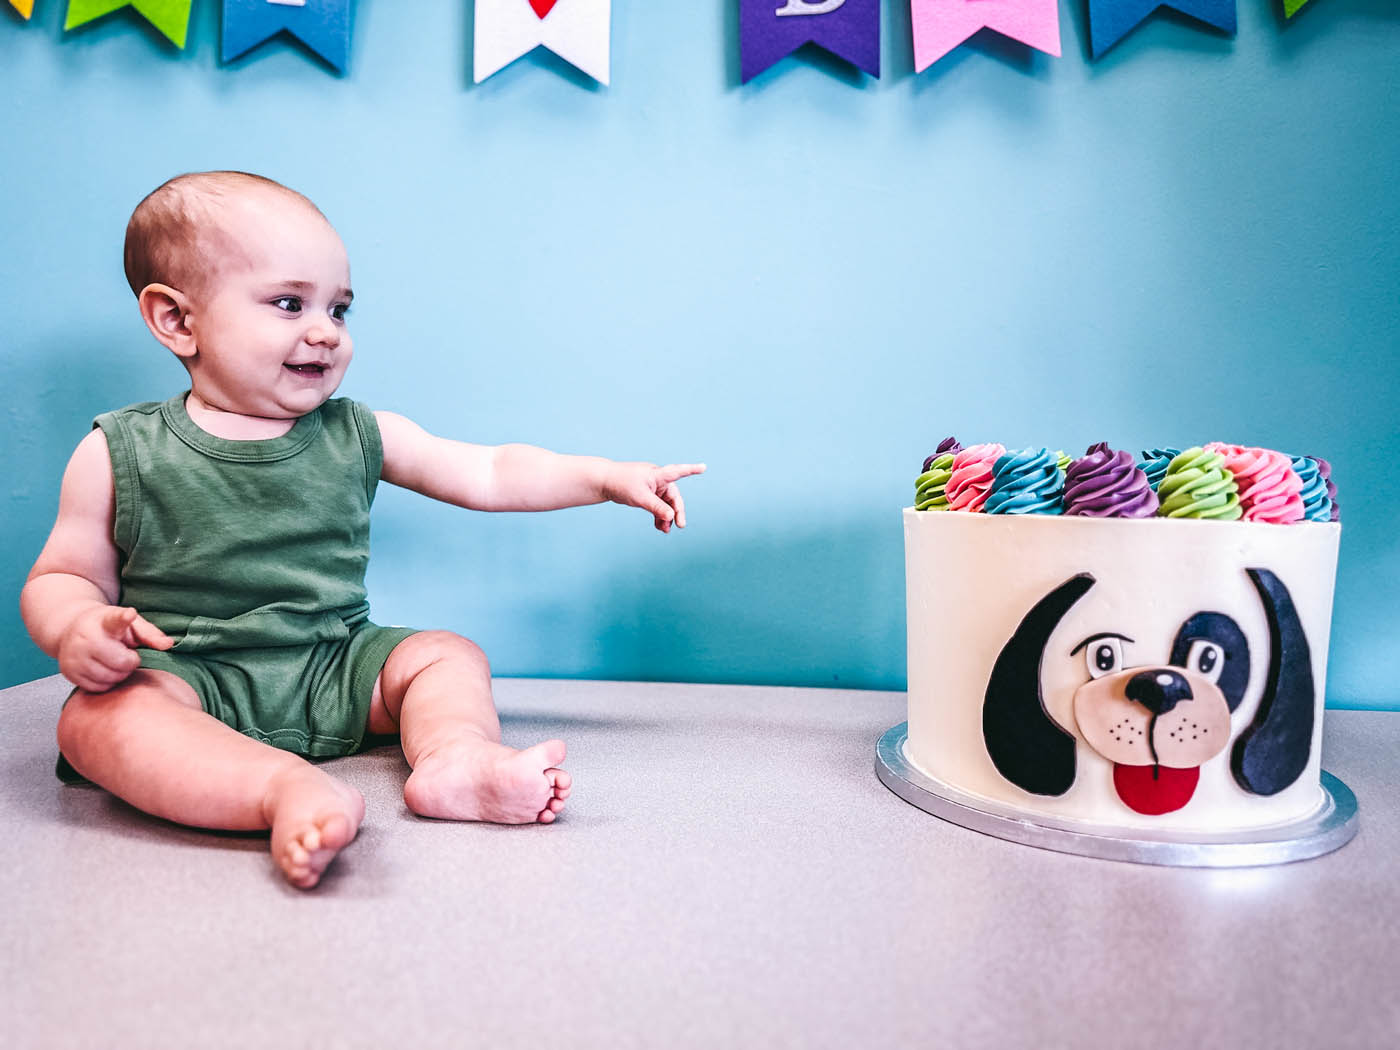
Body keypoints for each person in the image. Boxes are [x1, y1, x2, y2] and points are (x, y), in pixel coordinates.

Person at [20, 171, 705, 889]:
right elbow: (63, 577)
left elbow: (492, 471)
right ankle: (278, 790)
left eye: (339, 310)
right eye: (289, 304)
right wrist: (78, 629)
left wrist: (604, 478)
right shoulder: (119, 451)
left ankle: (454, 760)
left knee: (444, 655)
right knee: (97, 722)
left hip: (336, 666)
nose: (324, 332)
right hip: (189, 675)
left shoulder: (359, 431)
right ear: (177, 321)